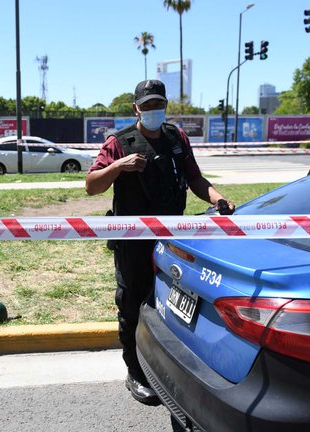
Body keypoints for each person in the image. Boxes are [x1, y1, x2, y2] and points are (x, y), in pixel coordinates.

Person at [85, 79, 235, 406]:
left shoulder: (176, 138)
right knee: (132, 303)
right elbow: (91, 186)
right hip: (133, 242)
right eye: (147, 105)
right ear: (135, 108)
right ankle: (135, 372)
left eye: (159, 104)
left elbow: (195, 179)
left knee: (171, 302)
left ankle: (167, 364)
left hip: (172, 239)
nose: (154, 110)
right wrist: (118, 165)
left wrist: (218, 198)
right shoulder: (119, 142)